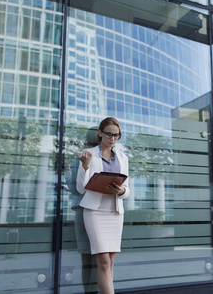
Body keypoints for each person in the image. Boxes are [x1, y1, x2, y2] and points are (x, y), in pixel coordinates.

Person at [76, 117, 129, 294]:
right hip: (95, 212)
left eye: (116, 135)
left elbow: (127, 190)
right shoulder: (88, 154)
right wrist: (85, 166)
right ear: (100, 133)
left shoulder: (123, 158)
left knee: (111, 263)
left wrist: (121, 191)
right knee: (104, 262)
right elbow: (80, 189)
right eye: (109, 134)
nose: (112, 138)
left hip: (115, 212)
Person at [63, 126, 99, 293]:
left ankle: (89, 292)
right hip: (98, 210)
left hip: (82, 210)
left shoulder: (80, 157)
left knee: (86, 257)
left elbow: (74, 187)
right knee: (99, 257)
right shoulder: (103, 158)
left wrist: (67, 172)